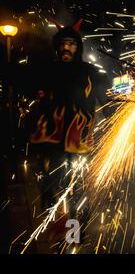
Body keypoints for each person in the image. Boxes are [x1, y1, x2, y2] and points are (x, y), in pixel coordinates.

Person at [3, 19, 111, 241]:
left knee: (78, 188)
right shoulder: (47, 70)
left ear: (77, 47)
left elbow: (106, 101)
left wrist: (117, 112)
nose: (66, 48)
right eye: (63, 43)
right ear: (57, 46)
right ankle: (61, 227)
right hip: (51, 142)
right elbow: (24, 80)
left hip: (79, 141)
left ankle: (76, 229)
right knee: (55, 185)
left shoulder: (89, 72)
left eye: (71, 44)